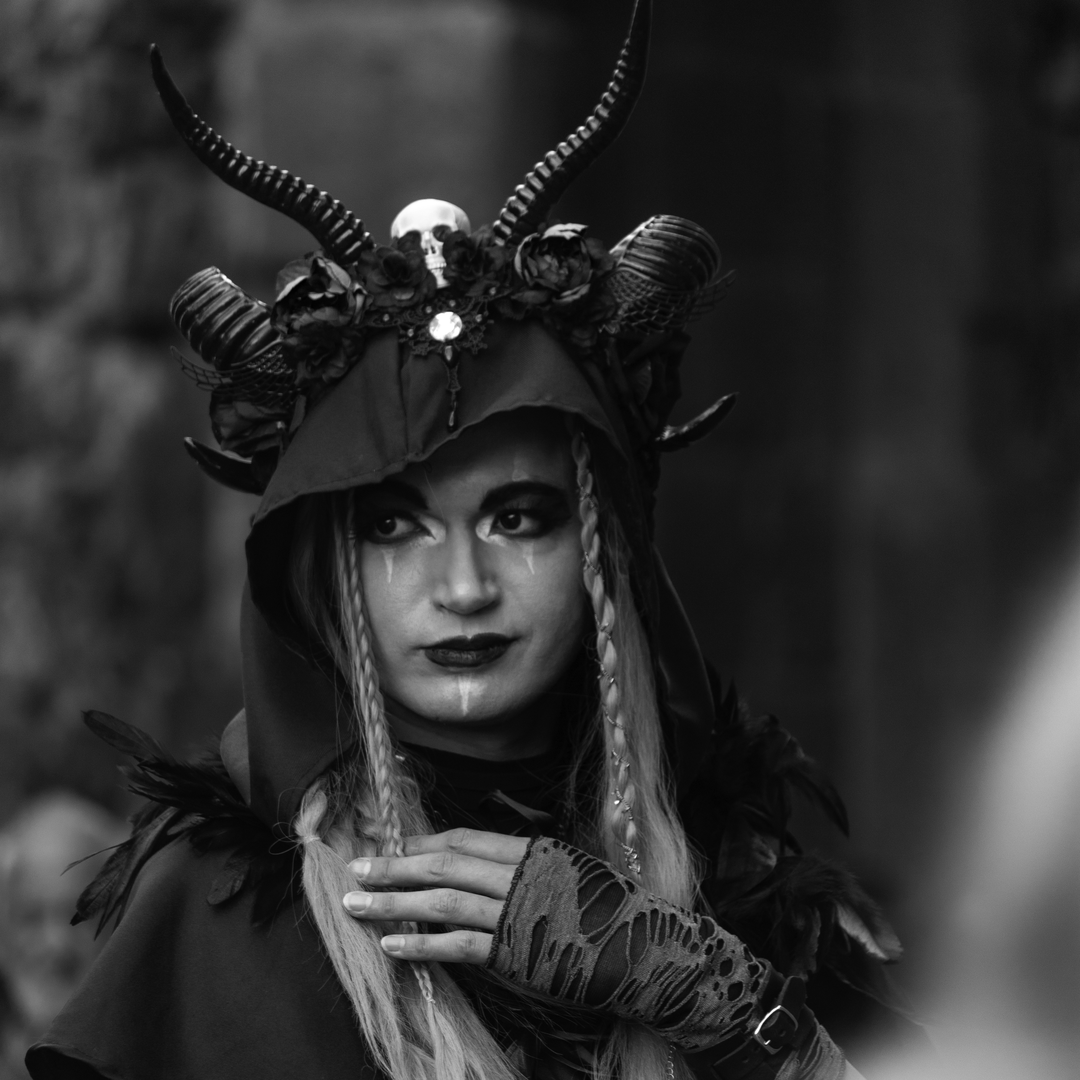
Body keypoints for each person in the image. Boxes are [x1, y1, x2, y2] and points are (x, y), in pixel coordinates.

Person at [26, 2, 920, 1077]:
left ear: (602, 549)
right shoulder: (211, 914)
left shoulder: (736, 874)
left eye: (518, 519)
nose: (462, 587)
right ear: (325, 565)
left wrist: (713, 996)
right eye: (397, 525)